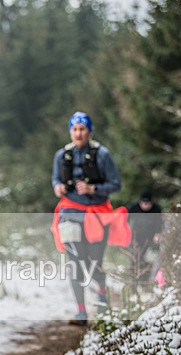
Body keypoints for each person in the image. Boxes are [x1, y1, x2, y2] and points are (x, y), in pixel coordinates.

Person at [50, 112, 130, 325]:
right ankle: (81, 312)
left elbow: (116, 185)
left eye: (82, 129)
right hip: (69, 215)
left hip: (96, 215)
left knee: (94, 264)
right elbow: (56, 179)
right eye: (74, 129)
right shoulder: (62, 155)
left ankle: (103, 302)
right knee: (75, 264)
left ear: (90, 131)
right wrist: (58, 187)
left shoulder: (102, 154)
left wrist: (92, 188)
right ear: (70, 131)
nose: (78, 133)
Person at [127, 189, 163, 283]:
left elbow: (160, 224)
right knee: (135, 260)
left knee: (147, 262)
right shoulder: (134, 208)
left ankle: (145, 282)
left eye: (147, 203)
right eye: (143, 203)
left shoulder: (156, 209)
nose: (145, 205)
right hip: (136, 239)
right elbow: (126, 222)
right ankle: (134, 283)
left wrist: (158, 234)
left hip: (150, 239)